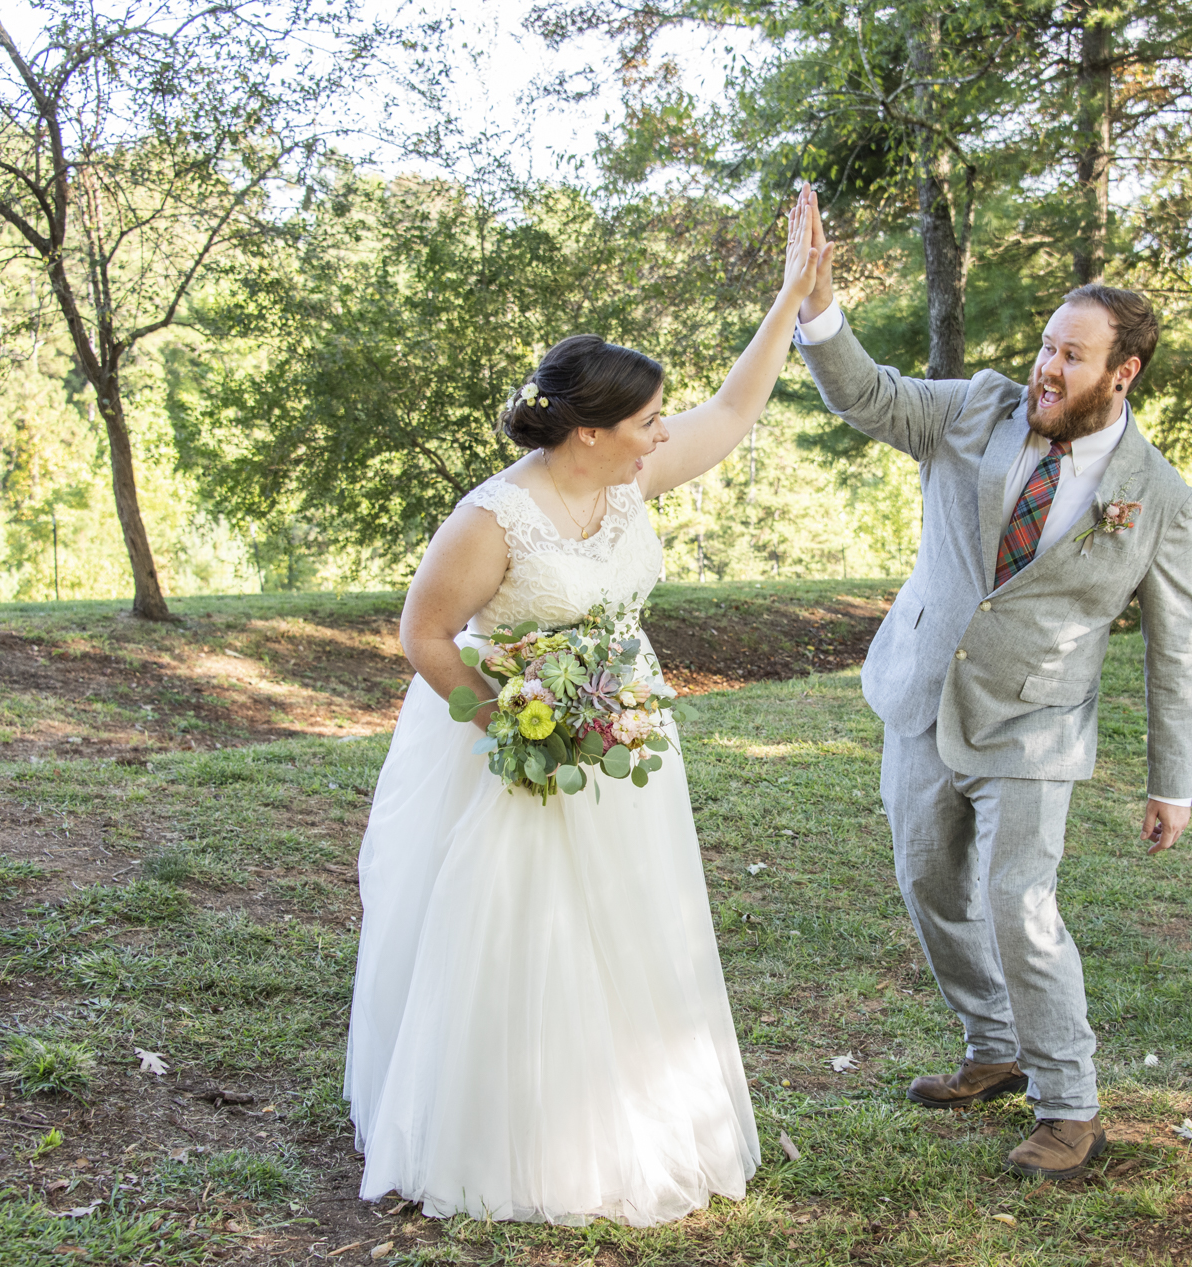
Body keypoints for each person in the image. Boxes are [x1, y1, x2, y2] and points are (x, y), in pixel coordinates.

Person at [342, 190, 828, 1226]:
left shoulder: (631, 484)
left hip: (627, 738)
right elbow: (423, 636)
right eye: (649, 422)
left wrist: (791, 296)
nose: (664, 436)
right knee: (525, 932)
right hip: (518, 744)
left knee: (632, 923)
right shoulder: (491, 519)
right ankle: (515, 1137)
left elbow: (738, 412)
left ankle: (634, 1106)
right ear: (593, 432)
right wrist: (519, 722)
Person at [790, 200, 1192, 1180]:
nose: (1045, 369)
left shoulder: (1157, 497)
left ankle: (1070, 1108)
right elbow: (871, 397)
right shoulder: (975, 407)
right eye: (1046, 346)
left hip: (1036, 722)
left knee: (1019, 902)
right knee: (930, 882)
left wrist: (1171, 781)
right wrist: (819, 312)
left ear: (1122, 373)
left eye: (1071, 357)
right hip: (921, 692)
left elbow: (1175, 647)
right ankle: (994, 1044)